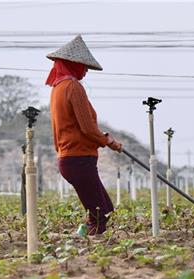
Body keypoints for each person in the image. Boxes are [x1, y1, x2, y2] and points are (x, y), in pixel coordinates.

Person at [46, 35, 123, 236]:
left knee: (102, 208)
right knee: (101, 212)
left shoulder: (57, 88)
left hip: (71, 158)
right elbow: (87, 127)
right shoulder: (72, 86)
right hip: (78, 159)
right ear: (73, 64)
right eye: (83, 65)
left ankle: (86, 234)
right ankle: (92, 243)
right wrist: (109, 141)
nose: (86, 70)